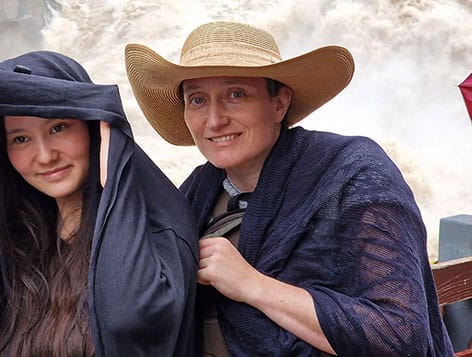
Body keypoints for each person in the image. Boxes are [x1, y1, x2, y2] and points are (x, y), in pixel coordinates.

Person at [124, 21, 453, 356]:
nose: (214, 120)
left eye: (236, 95)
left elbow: (398, 335)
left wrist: (250, 284)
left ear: (279, 104)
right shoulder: (195, 195)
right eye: (197, 100)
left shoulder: (353, 175)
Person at [0, 51, 198, 356]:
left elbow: (129, 318)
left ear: (93, 126)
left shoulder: (158, 231)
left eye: (58, 128)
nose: (45, 156)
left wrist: (115, 173)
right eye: (21, 139)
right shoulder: (15, 245)